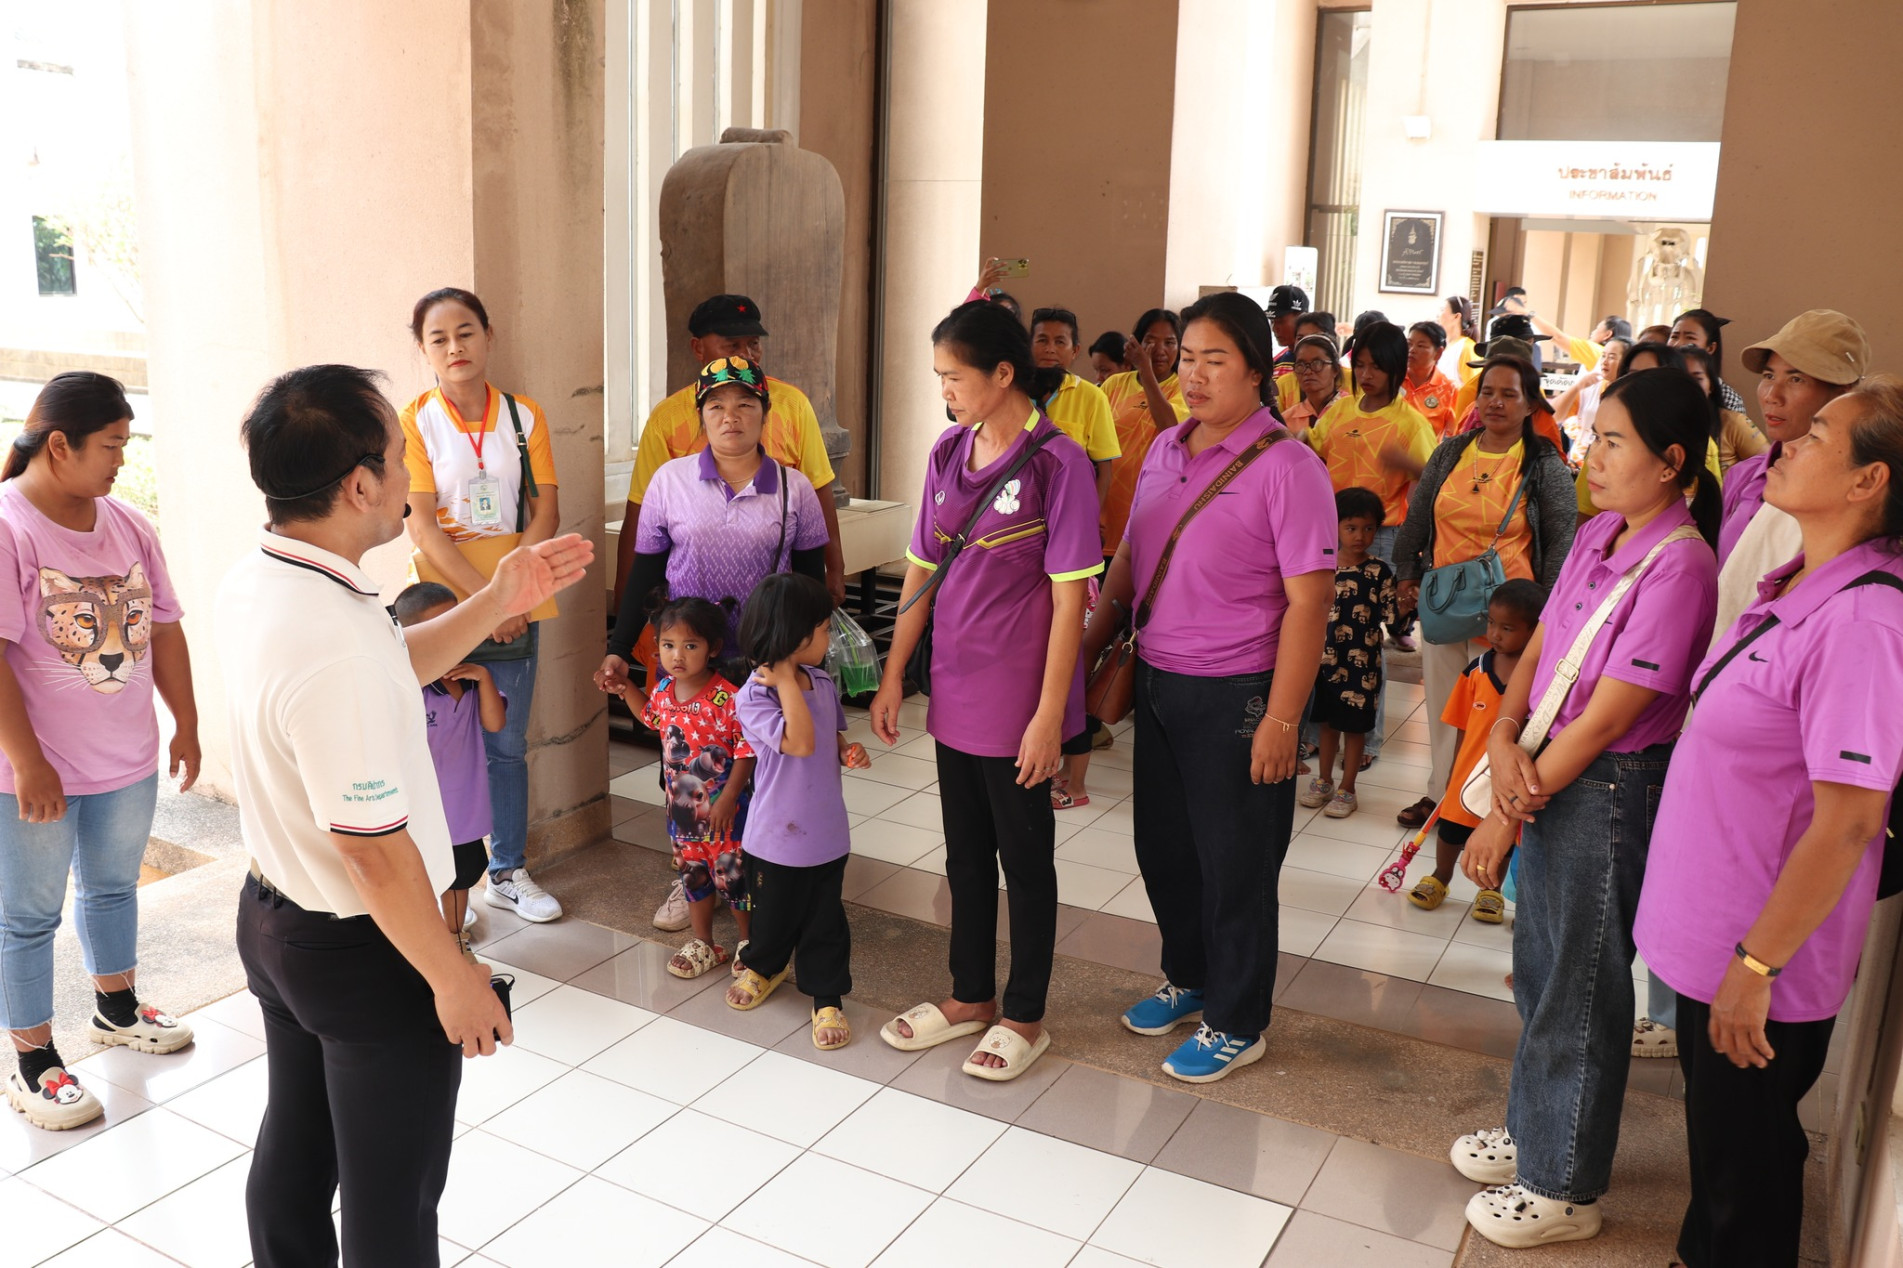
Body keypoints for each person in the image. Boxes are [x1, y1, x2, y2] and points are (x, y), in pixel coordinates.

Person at [224, 363, 591, 1268]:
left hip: (276, 922)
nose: (409, 477)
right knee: (393, 1201)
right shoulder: (333, 641)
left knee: (297, 1152)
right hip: (362, 947)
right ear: (358, 485)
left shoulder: (268, 579)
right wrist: (453, 975)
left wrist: (494, 600)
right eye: (398, 459)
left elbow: (392, 662)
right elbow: (373, 855)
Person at [1635, 378, 1903, 1268]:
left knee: (1747, 1174)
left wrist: (1755, 966)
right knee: (1722, 1159)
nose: (1785, 439)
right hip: (1720, 943)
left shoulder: (1861, 620)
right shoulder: (1809, 582)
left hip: (1757, 962)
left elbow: (1849, 822)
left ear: (1868, 481)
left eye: (1817, 432)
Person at [1451, 366, 1720, 1249]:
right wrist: (1500, 734)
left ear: (1670, 462)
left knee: (1581, 985)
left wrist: (1506, 808)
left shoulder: (1679, 565)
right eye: (1592, 436)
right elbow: (1537, 657)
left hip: (1604, 786)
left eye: (1612, 442)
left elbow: (1607, 717)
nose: (1588, 454)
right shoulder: (1602, 534)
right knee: (1541, 970)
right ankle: (1536, 1130)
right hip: (1553, 769)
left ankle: (1564, 1184)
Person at [1083, 291, 1335, 1084]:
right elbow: (1127, 560)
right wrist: (1083, 656)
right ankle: (1188, 978)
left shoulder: (1289, 468)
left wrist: (1283, 718)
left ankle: (1237, 1017)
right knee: (1163, 849)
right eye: (1184, 357)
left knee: (1236, 864)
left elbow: (1310, 602)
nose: (1191, 374)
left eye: (1212, 360)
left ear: (1258, 370)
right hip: (1157, 680)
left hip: (1240, 691)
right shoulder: (1165, 449)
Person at [872, 300, 1101, 1081]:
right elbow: (921, 571)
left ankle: (1024, 1014)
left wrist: (1049, 719)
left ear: (1004, 374)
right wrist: (896, 668)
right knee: (965, 858)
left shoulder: (1057, 463)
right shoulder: (947, 452)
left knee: (1025, 861)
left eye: (955, 378)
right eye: (938, 378)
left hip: (1019, 699)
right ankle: (968, 996)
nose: (945, 392)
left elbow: (1071, 599)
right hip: (956, 687)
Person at [0, 372, 200, 1132]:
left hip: (125, 756)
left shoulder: (128, 524)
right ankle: (32, 1060)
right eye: (111, 445)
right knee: (26, 918)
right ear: (60, 445)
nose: (120, 460)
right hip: (33, 772)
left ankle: (116, 1009)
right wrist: (28, 762)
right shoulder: (9, 527)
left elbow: (167, 625)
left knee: (113, 889)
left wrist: (185, 718)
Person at [598, 355, 830, 932]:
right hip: (686, 663)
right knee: (686, 772)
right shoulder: (669, 481)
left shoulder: (793, 489)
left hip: (759, 665)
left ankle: (761, 883)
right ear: (701, 415)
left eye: (745, 406)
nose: (731, 418)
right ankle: (694, 879)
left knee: (764, 774)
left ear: (765, 415)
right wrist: (619, 646)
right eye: (717, 407)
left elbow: (808, 583)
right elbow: (645, 573)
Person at [401, 287, 565, 925]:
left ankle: (508, 871)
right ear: (424, 350)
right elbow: (423, 529)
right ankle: (447, 878)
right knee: (433, 740)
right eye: (438, 339)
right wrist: (491, 600)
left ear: (488, 335)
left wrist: (516, 588)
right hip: (443, 599)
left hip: (519, 594)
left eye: (465, 332)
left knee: (505, 742)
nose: (454, 347)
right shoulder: (414, 420)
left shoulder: (525, 416)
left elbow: (545, 509)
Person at [1392, 354, 1577, 828]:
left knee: (1497, 711)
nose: (1495, 402)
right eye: (1488, 392)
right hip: (1444, 601)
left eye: (1508, 394)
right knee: (1442, 706)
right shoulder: (1451, 452)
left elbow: (1561, 541)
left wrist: (1550, 611)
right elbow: (1418, 517)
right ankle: (1441, 797)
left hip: (1512, 614)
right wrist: (1406, 572)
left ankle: (1485, 805)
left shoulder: (1544, 465)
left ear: (1530, 403)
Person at [615, 294, 845, 608]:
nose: (746, 355)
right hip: (690, 606)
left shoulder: (793, 405)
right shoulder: (666, 419)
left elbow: (818, 492)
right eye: (732, 345)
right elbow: (640, 512)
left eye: (753, 344)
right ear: (698, 348)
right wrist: (626, 597)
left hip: (775, 602)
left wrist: (835, 569)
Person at [727, 573, 867, 1050]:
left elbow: (825, 736)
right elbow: (799, 741)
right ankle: (764, 964)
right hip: (775, 838)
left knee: (825, 921)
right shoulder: (755, 695)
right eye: (824, 629)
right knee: (773, 917)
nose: (829, 638)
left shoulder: (822, 682)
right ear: (793, 637)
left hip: (826, 833)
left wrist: (848, 750)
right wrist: (785, 678)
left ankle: (826, 995)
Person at [1307, 320, 1435, 759]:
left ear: (1396, 368)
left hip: (1381, 539)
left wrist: (1412, 465)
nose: (1366, 374)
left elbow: (1434, 482)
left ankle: (1365, 743)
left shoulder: (1411, 422)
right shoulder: (1340, 411)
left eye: (1376, 366)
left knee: (1362, 644)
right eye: (1359, 364)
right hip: (1328, 536)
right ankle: (1314, 736)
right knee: (1318, 635)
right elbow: (1312, 453)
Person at [610, 596, 755, 980]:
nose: (677, 655)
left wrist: (727, 798)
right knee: (693, 875)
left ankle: (748, 941)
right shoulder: (663, 692)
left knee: (733, 875)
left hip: (726, 814)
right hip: (682, 815)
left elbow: (747, 749)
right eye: (668, 645)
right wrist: (625, 687)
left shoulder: (728, 698)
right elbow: (652, 717)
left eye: (690, 646)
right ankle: (704, 942)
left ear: (713, 649)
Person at [1715, 311, 1870, 637]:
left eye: (1796, 379)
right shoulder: (1743, 477)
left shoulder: (1854, 495)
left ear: (1842, 393)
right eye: (1769, 375)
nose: (1773, 394)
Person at [1405, 579, 1543, 919]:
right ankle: (1441, 876)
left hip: (1510, 780)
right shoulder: (1476, 671)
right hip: (1468, 771)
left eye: (1507, 628)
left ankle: (1490, 890)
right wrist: (1452, 773)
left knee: (1504, 834)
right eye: (1491, 623)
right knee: (1452, 828)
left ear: (1535, 631)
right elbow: (1461, 727)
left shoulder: (1542, 680)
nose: (1495, 634)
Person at [394, 582, 506, 960]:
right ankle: (426, 946)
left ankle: (455, 938)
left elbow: (494, 724)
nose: (453, 636)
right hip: (419, 811)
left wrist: (485, 679)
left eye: (457, 623)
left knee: (461, 874)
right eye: (439, 628)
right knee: (420, 877)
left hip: (462, 808)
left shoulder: (471, 680)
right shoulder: (408, 687)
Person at [1300, 487, 1395, 819]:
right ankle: (1324, 781)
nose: (1360, 536)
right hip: (1324, 663)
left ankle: (1348, 788)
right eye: (1351, 527)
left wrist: (1407, 604)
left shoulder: (1379, 572)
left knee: (1355, 729)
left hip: (1361, 667)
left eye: (1368, 528)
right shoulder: (1322, 566)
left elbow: (1392, 616)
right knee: (1327, 725)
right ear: (1335, 526)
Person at [1030, 306, 1121, 502]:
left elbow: (1104, 471)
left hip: (1069, 505)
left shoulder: (1092, 397)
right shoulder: (1012, 392)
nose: (1050, 349)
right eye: (1042, 340)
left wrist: (1089, 516)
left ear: (1075, 351)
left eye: (1060, 342)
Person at [1683, 346, 1768, 474]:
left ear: (1711, 385)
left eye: (1697, 379)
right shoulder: (1659, 425)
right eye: (1681, 377)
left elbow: (1767, 467)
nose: (1688, 386)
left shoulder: (1734, 423)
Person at [1553, 335, 1630, 454]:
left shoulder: (1631, 394)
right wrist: (1577, 387)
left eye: (1611, 357)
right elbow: (1554, 415)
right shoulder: (1592, 386)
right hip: (1580, 459)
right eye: (1603, 356)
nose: (1604, 361)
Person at [1668, 307, 1750, 414]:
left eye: (1690, 337)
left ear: (1710, 348)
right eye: (1674, 336)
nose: (1678, 343)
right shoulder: (1658, 385)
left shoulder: (1729, 399)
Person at [1404, 320, 1460, 438]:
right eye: (1409, 344)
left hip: (1427, 455)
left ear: (1438, 353)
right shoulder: (1392, 380)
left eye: (1421, 346)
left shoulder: (1449, 390)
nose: (1412, 350)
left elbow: (1454, 436)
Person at [1282, 334, 1346, 437]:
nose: (1307, 371)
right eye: (1301, 365)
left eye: (1317, 363)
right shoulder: (1286, 421)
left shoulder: (1352, 411)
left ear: (1335, 369)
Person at [1267, 283, 1310, 374]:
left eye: (1280, 321)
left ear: (1301, 317)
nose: (1274, 328)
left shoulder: (1321, 365)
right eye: (1272, 321)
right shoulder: (1276, 363)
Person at [1439, 296, 1481, 385]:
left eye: (1442, 310)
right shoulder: (1443, 346)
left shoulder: (1467, 348)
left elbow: (1473, 389)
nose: (1438, 315)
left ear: (1457, 316)